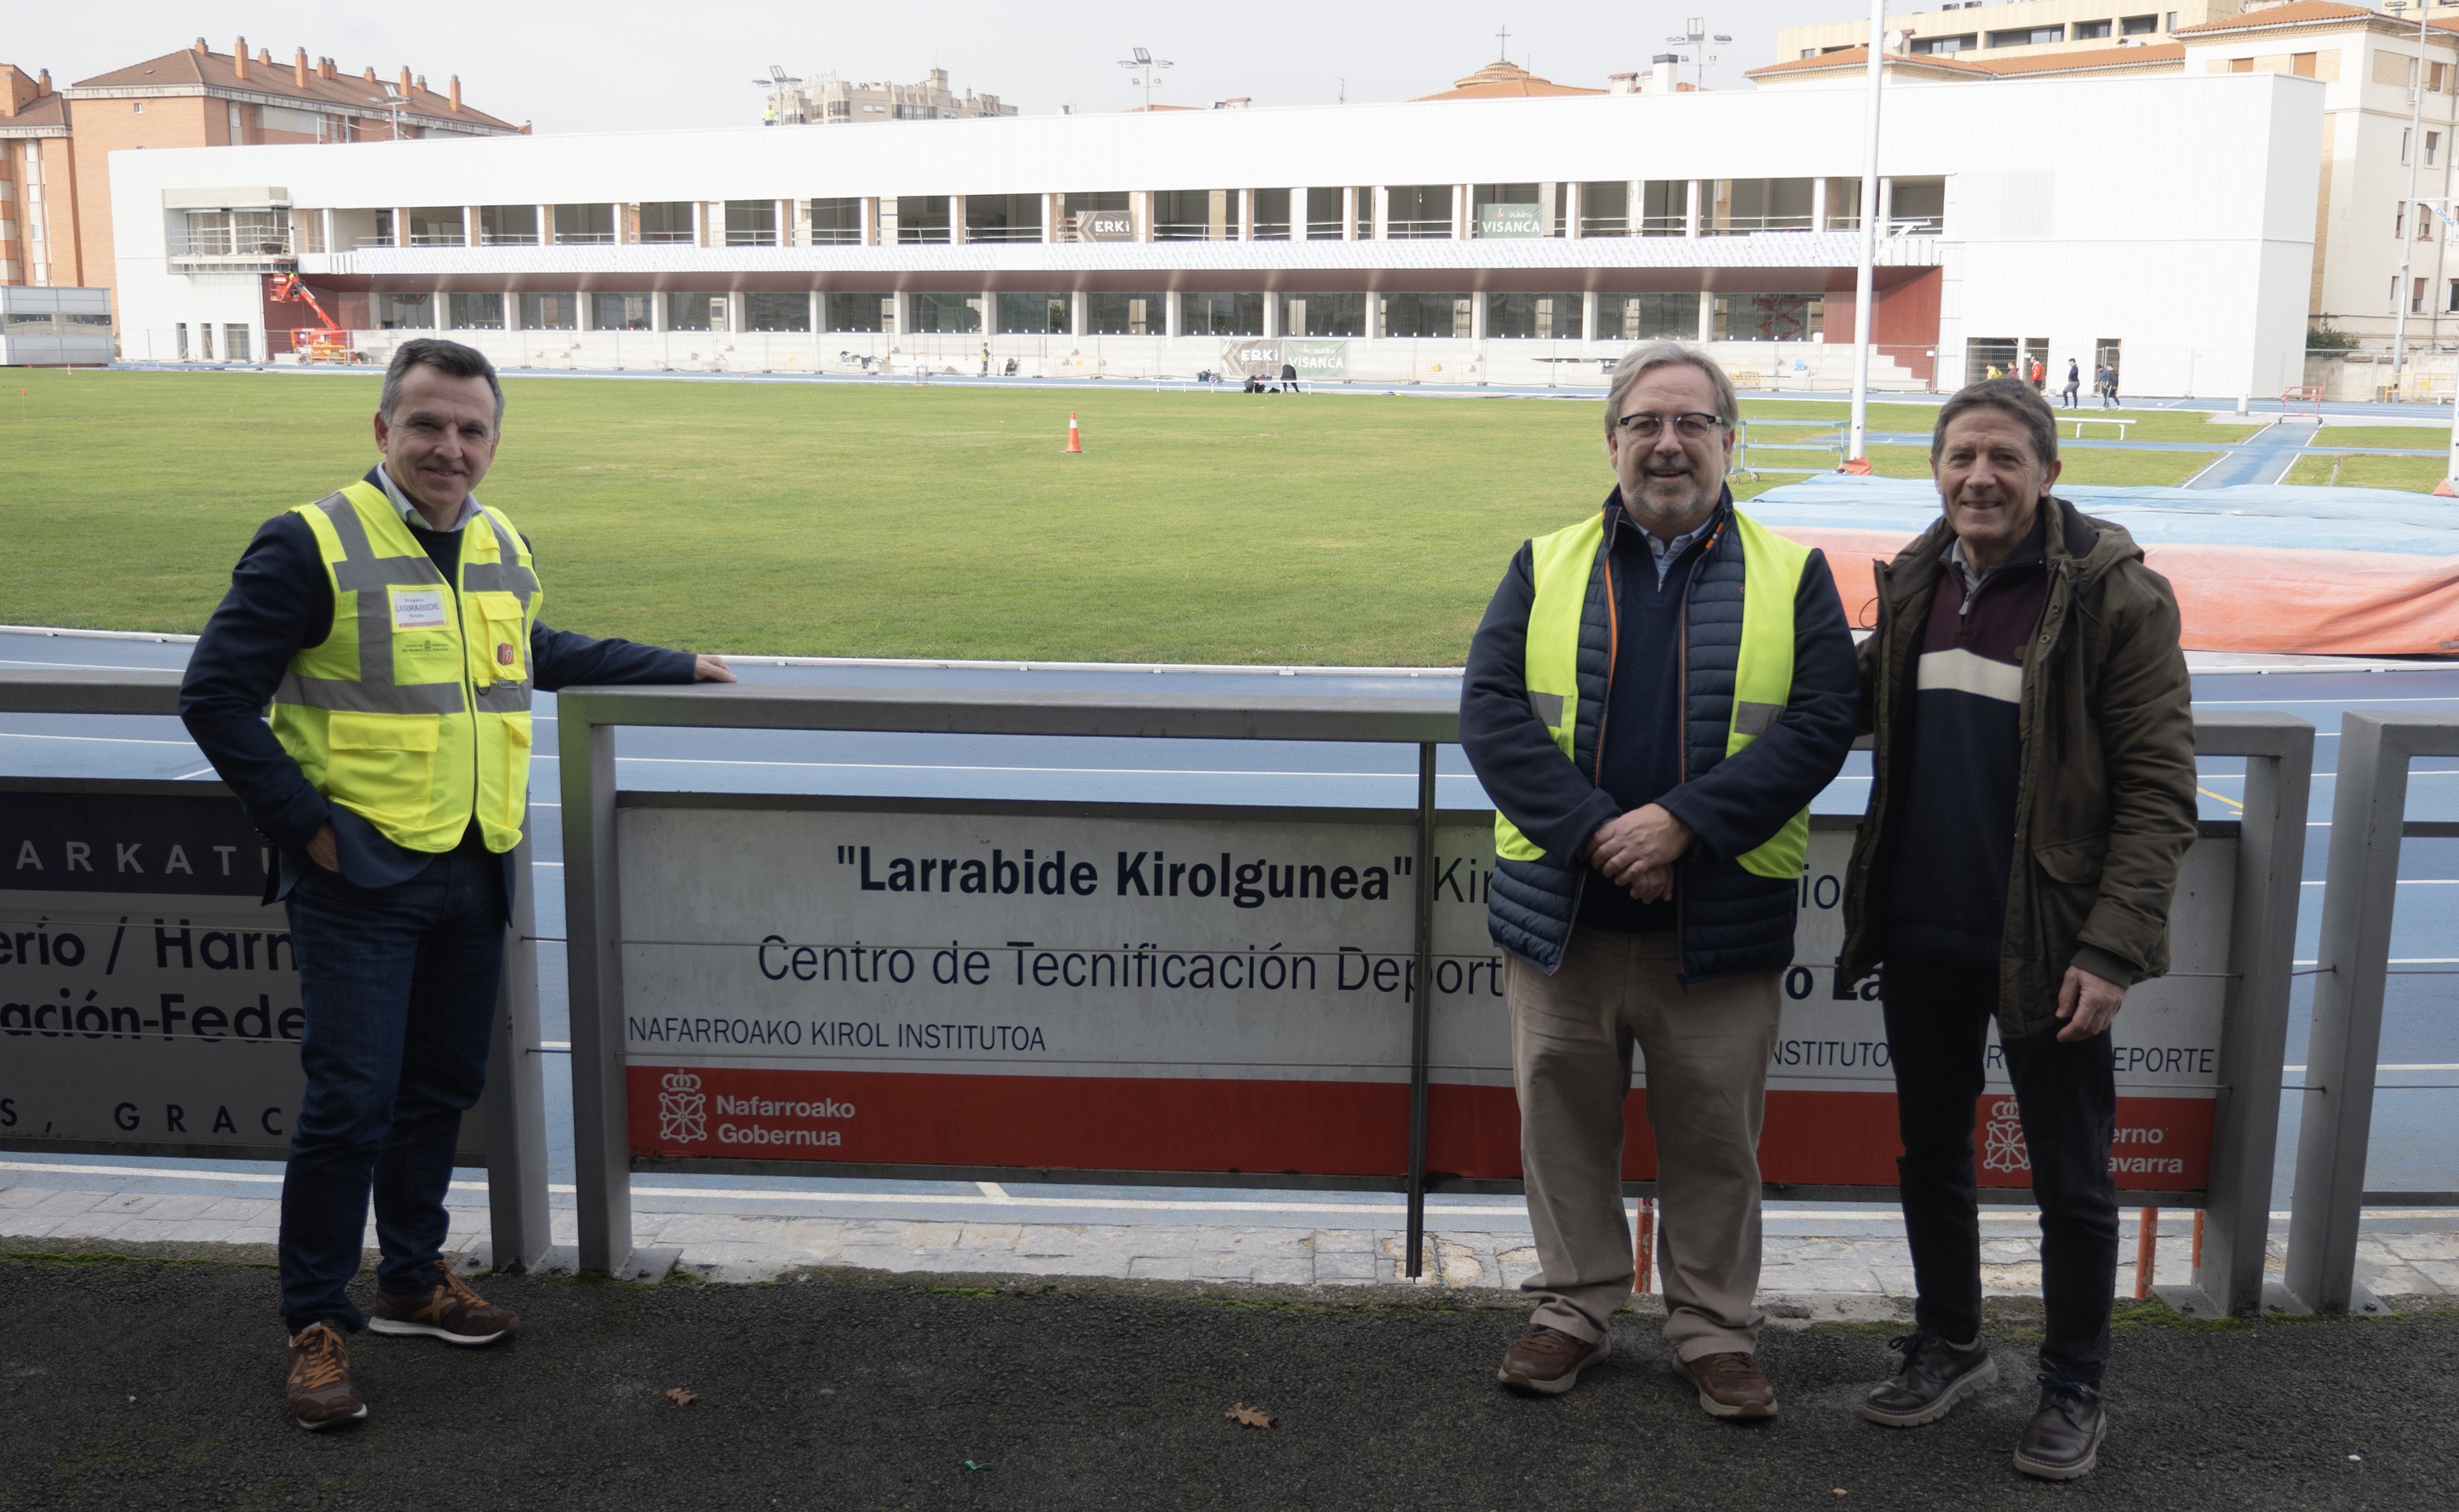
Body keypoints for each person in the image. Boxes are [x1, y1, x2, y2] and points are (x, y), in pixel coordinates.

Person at [180, 338, 737, 1432]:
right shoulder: (310, 542)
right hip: (360, 875)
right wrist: (306, 828)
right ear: (383, 429)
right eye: (427, 423)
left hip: (473, 866)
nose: (450, 446)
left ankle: (410, 1280)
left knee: (437, 1089)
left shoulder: (497, 540)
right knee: (349, 1103)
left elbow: (527, 651)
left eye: (471, 429)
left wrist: (668, 664)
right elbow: (214, 695)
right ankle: (314, 1323)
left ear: (492, 442)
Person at [1460, 341, 1858, 1416]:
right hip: (1565, 921)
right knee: (1560, 1133)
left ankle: (1711, 1328)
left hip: (1716, 926)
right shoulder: (1544, 563)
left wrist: (1683, 824)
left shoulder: (1793, 574)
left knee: (1714, 1146)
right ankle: (1572, 1308)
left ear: (1729, 441)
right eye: (1644, 423)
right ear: (1611, 442)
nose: (1667, 444)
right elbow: (1490, 714)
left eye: (1691, 423)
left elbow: (1822, 722)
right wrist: (1598, 833)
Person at [1837, 377, 2194, 1480]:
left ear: (2047, 473)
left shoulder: (2117, 598)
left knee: (2070, 1179)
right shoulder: (1917, 580)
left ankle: (2073, 1385)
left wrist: (2109, 947)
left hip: (2050, 942)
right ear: (1935, 471)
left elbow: (2158, 791)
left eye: (2003, 458)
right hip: (1924, 929)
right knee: (1930, 1154)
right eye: (1960, 458)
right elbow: (1841, 705)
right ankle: (1948, 1341)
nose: (1979, 478)